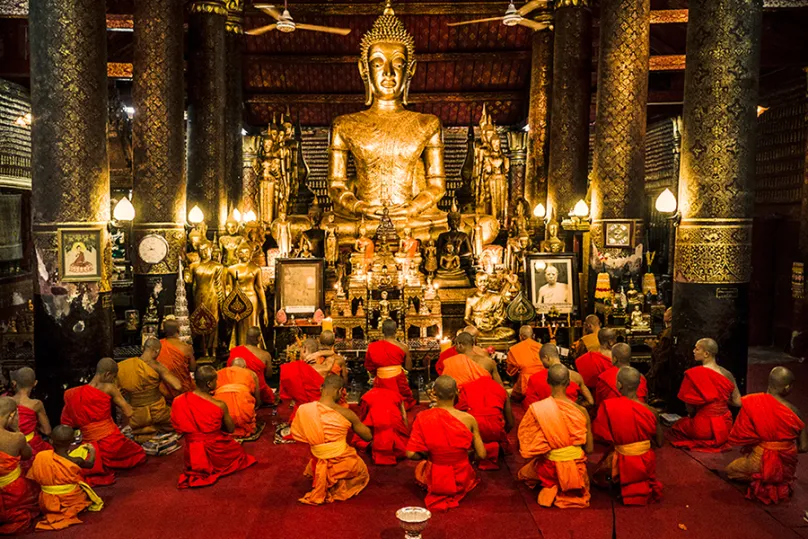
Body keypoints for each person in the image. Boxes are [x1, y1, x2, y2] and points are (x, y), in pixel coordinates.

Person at [725, 366, 808, 504]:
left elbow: (735, 402)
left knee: (731, 471)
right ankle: (775, 477)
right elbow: (804, 446)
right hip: (786, 465)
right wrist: (782, 449)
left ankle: (762, 476)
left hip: (759, 458)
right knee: (777, 472)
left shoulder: (753, 401)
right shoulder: (795, 411)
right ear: (787, 388)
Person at [517, 364, 593, 509]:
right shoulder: (582, 411)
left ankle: (552, 485)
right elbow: (589, 449)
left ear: (548, 382)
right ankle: (569, 484)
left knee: (525, 473)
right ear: (569, 383)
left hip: (549, 468)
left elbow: (527, 445)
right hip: (577, 469)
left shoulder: (538, 410)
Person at [406, 376, 486, 512]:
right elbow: (482, 454)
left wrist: (429, 457)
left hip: (435, 476)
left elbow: (410, 453)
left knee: (421, 468)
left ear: (434, 393)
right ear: (456, 392)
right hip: (461, 475)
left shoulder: (423, 417)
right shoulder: (468, 419)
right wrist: (465, 458)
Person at [61, 358, 146, 486]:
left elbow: (67, 422)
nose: (114, 380)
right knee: (139, 455)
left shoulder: (73, 393)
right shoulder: (109, 387)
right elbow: (128, 411)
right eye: (114, 377)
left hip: (88, 444)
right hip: (111, 442)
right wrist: (123, 427)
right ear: (107, 374)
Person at [291, 375, 372, 505]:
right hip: (342, 460)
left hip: (317, 458)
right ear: (340, 391)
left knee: (321, 457)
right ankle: (338, 481)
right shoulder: (346, 413)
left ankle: (324, 478)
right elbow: (368, 436)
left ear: (321, 388)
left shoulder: (304, 410)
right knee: (361, 469)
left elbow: (298, 434)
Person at [170, 366, 257, 488]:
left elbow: (176, 427)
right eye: (216, 380)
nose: (218, 383)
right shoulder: (219, 405)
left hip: (192, 453)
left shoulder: (178, 401)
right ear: (209, 384)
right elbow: (230, 429)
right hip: (216, 449)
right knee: (239, 454)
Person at [592, 367, 663, 506]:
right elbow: (660, 442)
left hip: (622, 459)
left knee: (600, 471)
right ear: (639, 385)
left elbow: (601, 435)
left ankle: (619, 479)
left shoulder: (609, 406)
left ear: (619, 385)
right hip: (645, 460)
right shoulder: (652, 411)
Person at [668, 338, 741, 452]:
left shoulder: (694, 374)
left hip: (703, 427)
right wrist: (719, 402)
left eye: (697, 349)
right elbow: (737, 402)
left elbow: (690, 407)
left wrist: (693, 417)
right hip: (725, 426)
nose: (693, 351)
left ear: (706, 354)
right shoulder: (727, 374)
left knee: (679, 425)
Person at [27, 425, 103, 531]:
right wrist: (92, 451)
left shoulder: (42, 456)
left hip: (47, 502)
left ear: (51, 441)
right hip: (70, 499)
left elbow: (35, 476)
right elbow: (90, 464)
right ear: (72, 441)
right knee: (82, 489)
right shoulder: (76, 460)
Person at [118, 338, 183, 443]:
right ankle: (155, 430)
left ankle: (143, 433)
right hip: (158, 411)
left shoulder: (123, 366)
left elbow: (118, 392)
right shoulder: (157, 366)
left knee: (139, 426)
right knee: (179, 422)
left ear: (143, 348)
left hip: (136, 415)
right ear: (157, 351)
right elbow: (177, 386)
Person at [456, 369, 513, 470]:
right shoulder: (500, 389)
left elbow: (459, 411)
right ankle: (494, 447)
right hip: (495, 430)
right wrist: (503, 433)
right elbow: (510, 421)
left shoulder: (467, 387)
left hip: (474, 428)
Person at [0, 397, 40, 535]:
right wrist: (17, 429)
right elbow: (27, 455)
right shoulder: (16, 438)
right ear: (11, 415)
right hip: (13, 491)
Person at [281, 339, 337, 423]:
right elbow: (332, 354)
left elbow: (286, 396)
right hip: (319, 410)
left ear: (304, 349)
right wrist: (318, 354)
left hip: (301, 412)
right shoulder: (324, 368)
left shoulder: (291, 368)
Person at [365, 320, 417, 409]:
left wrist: (381, 373)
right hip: (398, 382)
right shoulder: (403, 347)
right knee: (402, 402)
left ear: (382, 330)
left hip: (380, 381)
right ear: (396, 330)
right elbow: (409, 367)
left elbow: (369, 366)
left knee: (381, 403)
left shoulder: (372, 346)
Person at [524, 343, 593, 409]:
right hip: (572, 416)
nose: (542, 364)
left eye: (542, 360)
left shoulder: (535, 378)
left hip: (548, 418)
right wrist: (575, 407)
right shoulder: (576, 376)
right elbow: (590, 402)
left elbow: (531, 407)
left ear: (547, 358)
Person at [353, 387, 409, 466]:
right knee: (401, 445)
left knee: (359, 439)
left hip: (377, 426)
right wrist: (405, 435)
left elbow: (363, 417)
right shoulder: (396, 394)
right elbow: (404, 416)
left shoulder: (366, 397)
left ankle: (375, 444)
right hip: (393, 423)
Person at [9, 367, 52, 470]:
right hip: (31, 445)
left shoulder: (5, 402)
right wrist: (35, 426)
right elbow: (47, 431)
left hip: (10, 445)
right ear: (35, 383)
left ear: (14, 383)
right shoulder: (36, 404)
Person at [228, 327, 275, 405]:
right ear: (259, 338)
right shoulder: (265, 355)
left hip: (237, 390)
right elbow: (269, 375)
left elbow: (229, 370)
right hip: (259, 391)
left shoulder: (235, 351)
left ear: (246, 337)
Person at [214, 358, 260, 438]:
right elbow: (257, 396)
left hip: (222, 408)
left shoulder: (219, 373)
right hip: (243, 405)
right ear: (244, 366)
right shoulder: (251, 373)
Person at [156, 319, 196, 402]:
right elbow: (193, 368)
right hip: (182, 388)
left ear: (164, 331)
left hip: (164, 389)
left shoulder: (158, 346)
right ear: (178, 330)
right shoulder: (186, 348)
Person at [506, 325, 543, 402]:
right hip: (543, 383)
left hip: (525, 385)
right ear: (533, 336)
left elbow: (511, 372)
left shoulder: (514, 349)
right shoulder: (541, 347)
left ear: (520, 337)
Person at [575, 328, 616, 393]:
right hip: (611, 393)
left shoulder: (588, 357)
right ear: (611, 342)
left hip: (592, 394)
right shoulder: (617, 359)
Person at [648, 307, 674, 404]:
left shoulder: (668, 334)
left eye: (666, 312)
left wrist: (653, 346)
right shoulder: (667, 331)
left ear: (670, 317)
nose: (664, 313)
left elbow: (662, 356)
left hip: (663, 372)